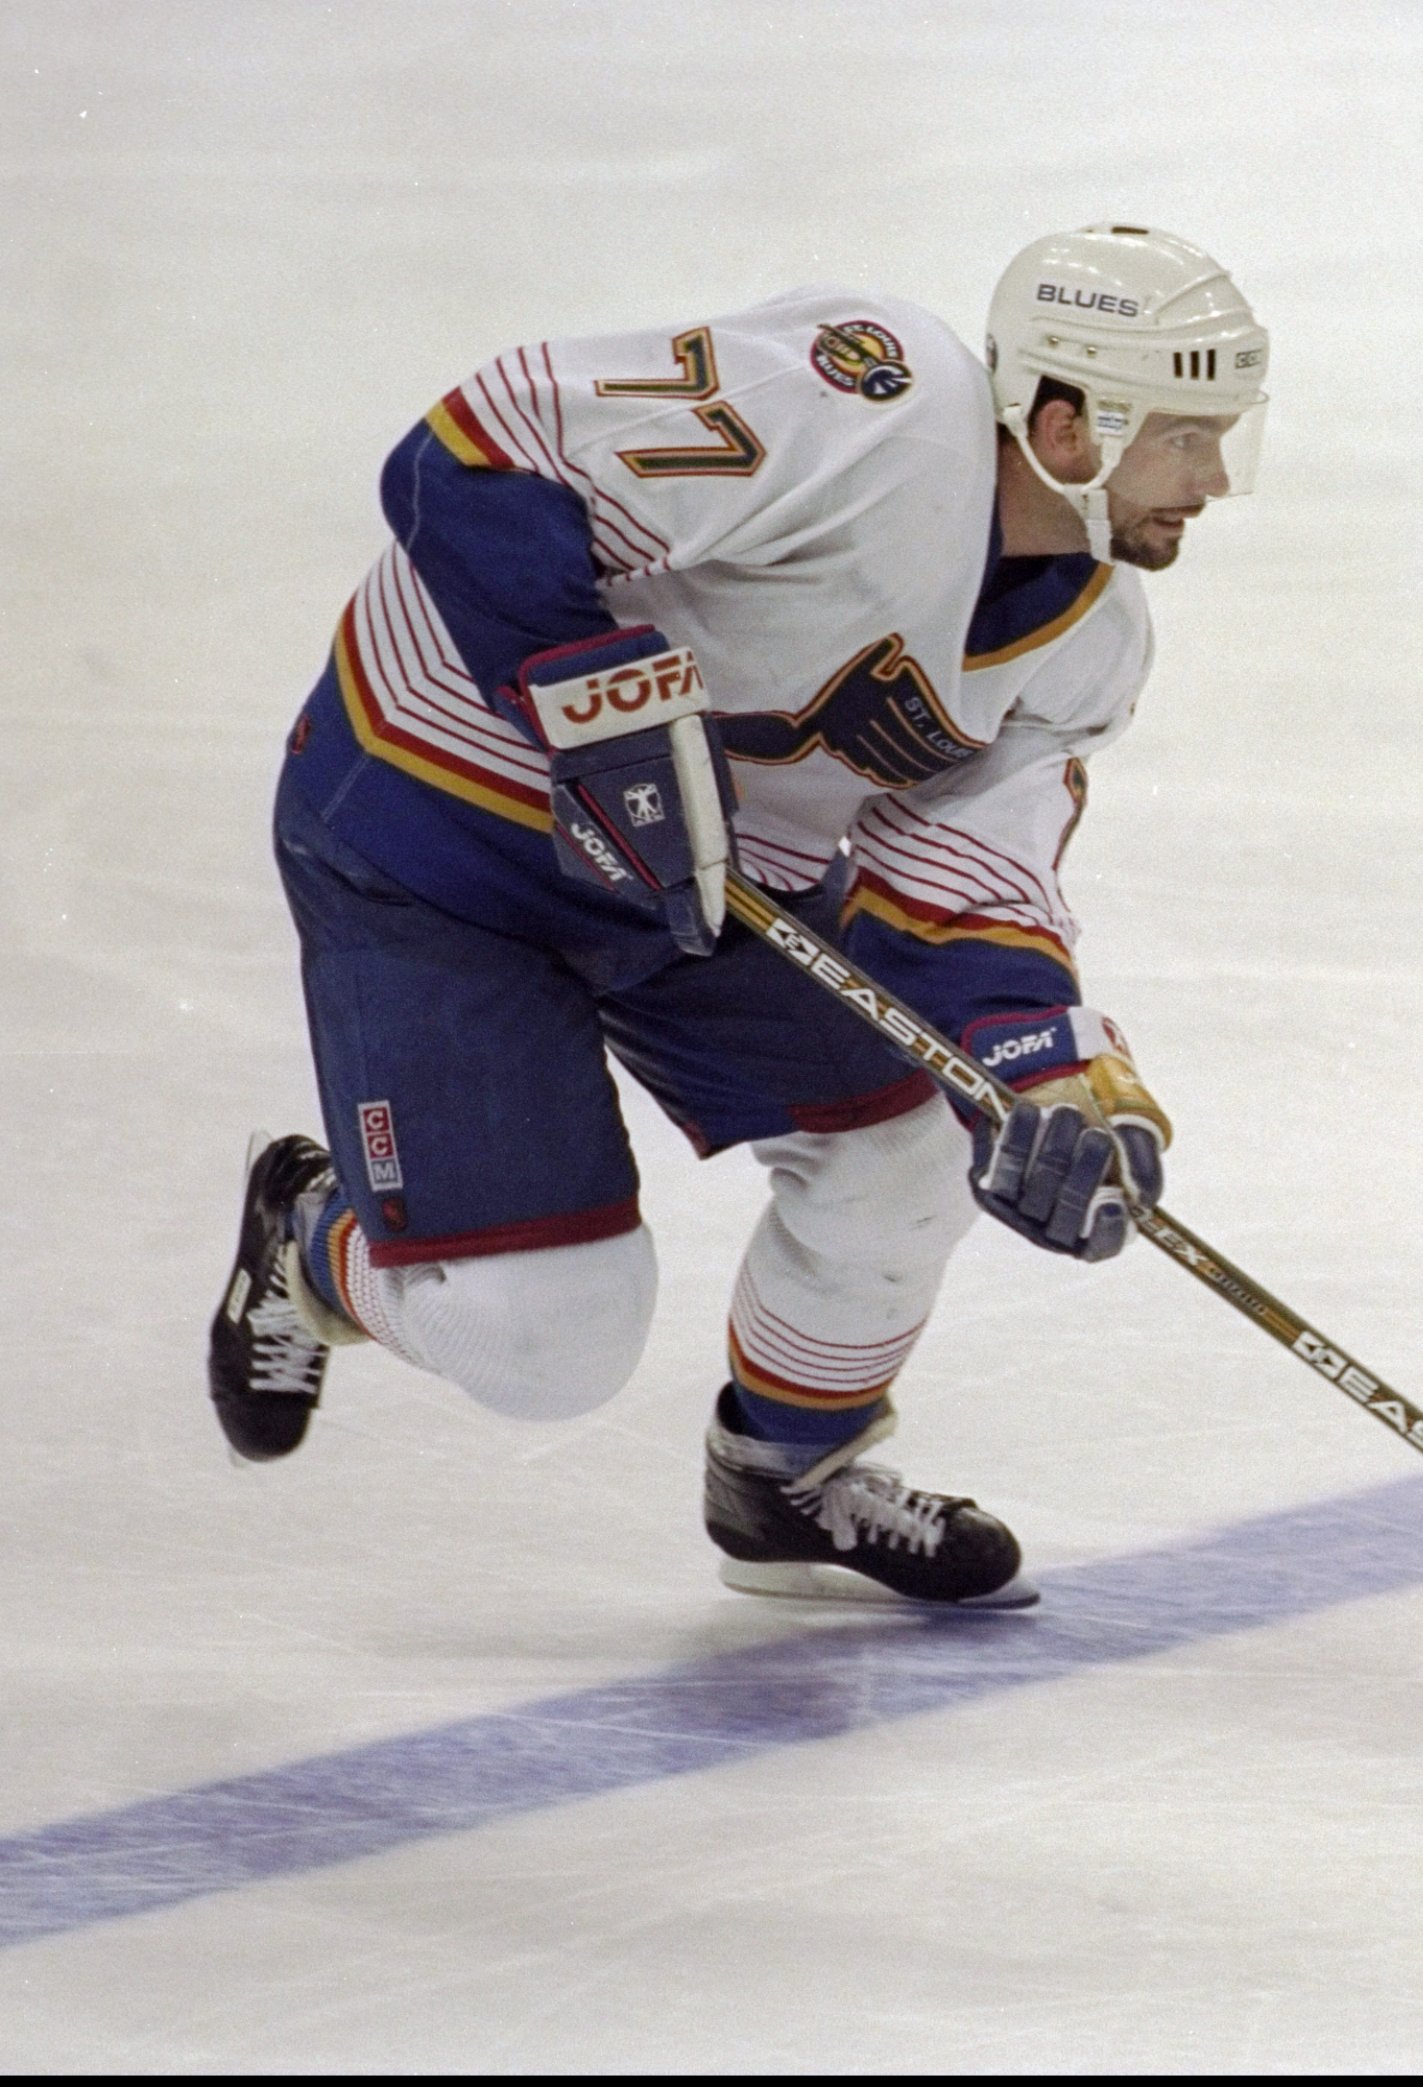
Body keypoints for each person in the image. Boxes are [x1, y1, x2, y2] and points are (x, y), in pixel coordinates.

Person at [204, 224, 1271, 1608]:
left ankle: (787, 1478)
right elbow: (479, 451)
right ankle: (312, 1241)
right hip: (441, 837)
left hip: (708, 890)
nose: (1215, 482)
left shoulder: (1090, 643)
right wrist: (585, 693)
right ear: (1067, 422)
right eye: (1185, 439)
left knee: (918, 1144)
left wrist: (1052, 1080)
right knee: (548, 1346)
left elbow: (961, 871)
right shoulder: (864, 407)